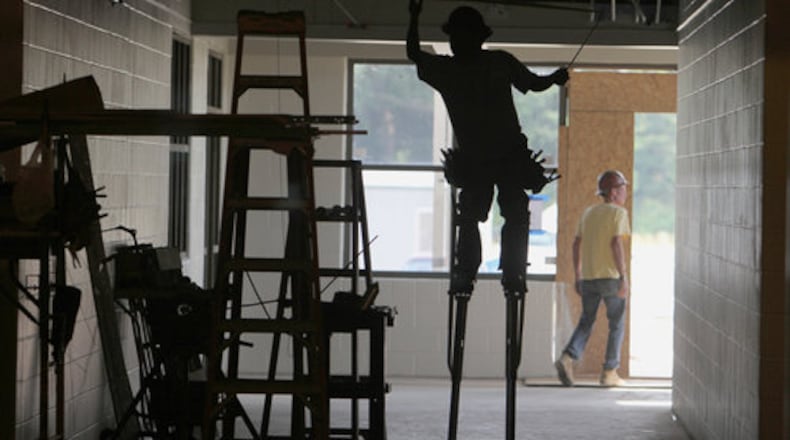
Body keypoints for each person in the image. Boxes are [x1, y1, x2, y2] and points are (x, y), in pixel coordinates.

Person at [406, 0, 568, 294]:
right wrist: (554, 79)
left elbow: (414, 54)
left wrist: (415, 17)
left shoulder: (456, 69)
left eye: (460, 36)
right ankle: (490, 271)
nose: (457, 42)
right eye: (455, 37)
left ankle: (486, 271)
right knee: (494, 213)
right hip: (494, 156)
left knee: (488, 214)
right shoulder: (494, 63)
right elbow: (534, 84)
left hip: (489, 157)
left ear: (477, 38)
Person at [555, 170, 631, 387]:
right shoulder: (619, 213)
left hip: (589, 278)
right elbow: (616, 243)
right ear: (614, 192)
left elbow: (576, 244)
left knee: (586, 321)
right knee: (616, 323)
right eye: (623, 188)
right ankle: (609, 372)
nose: (625, 193)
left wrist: (578, 275)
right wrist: (623, 277)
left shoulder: (588, 213)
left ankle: (568, 357)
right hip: (610, 278)